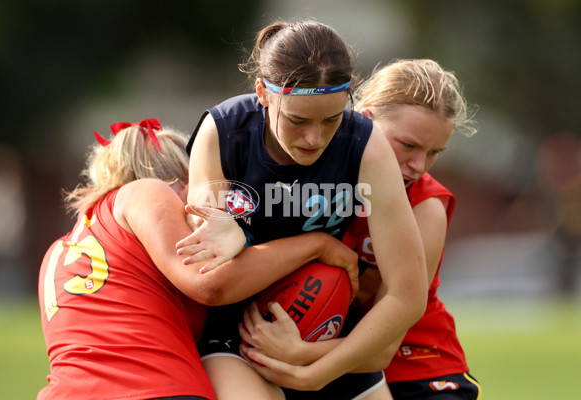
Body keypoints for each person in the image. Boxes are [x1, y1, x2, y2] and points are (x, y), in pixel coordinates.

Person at [179, 19, 427, 400]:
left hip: (327, 329)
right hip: (236, 335)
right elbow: (211, 271)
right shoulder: (225, 131)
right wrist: (224, 227)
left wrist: (317, 371)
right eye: (297, 120)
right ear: (263, 92)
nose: (315, 138)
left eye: (331, 120)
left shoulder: (364, 143)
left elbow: (407, 295)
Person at [37, 119, 359, 400]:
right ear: (179, 184)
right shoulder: (145, 192)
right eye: (196, 189)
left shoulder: (56, 253)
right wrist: (316, 245)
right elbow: (209, 285)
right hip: (156, 390)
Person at [240, 59, 482, 399]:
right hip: (310, 350)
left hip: (416, 367)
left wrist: (299, 354)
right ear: (364, 121)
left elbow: (383, 350)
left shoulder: (427, 206)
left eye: (434, 152)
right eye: (408, 145)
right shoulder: (310, 175)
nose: (418, 165)